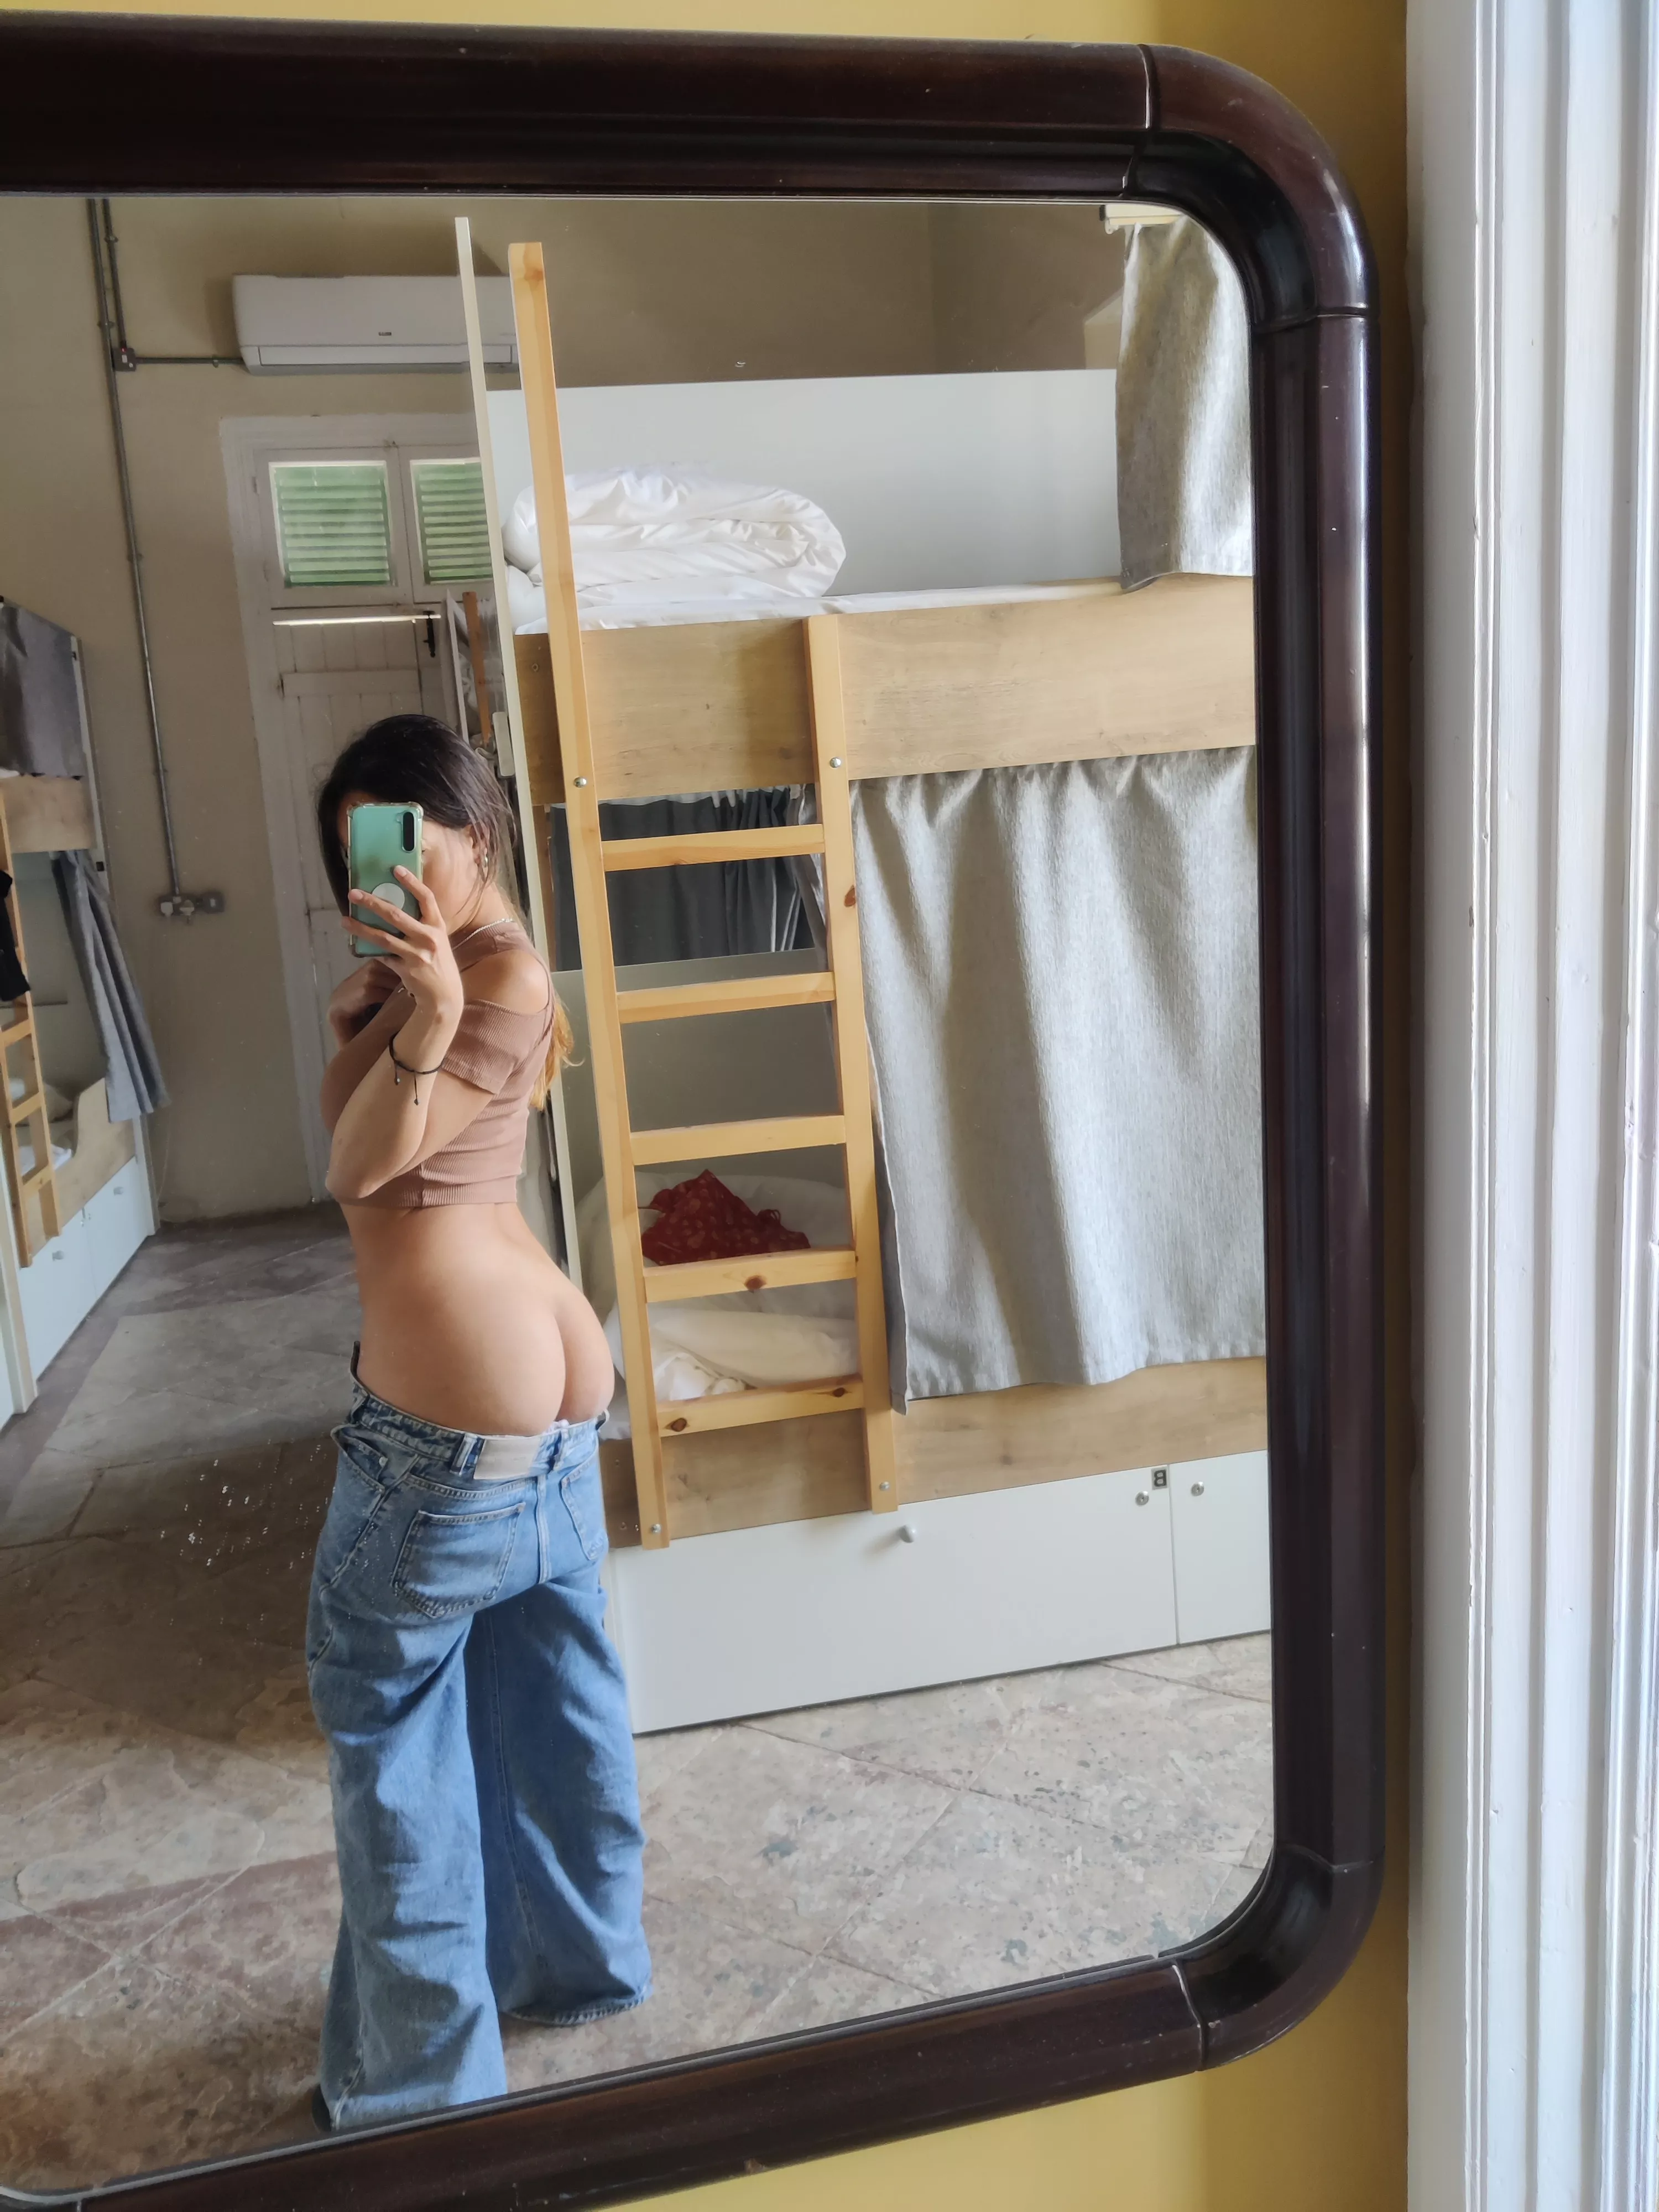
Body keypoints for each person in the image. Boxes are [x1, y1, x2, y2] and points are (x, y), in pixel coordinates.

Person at [304, 714, 649, 2132]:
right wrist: (382, 1021)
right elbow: (400, 1155)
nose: (379, 880)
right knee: (549, 1705)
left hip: (446, 1446)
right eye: (354, 859)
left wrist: (424, 1021)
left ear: (477, 829)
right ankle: (576, 1963)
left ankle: (420, 2093)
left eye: (403, 845)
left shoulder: (488, 979)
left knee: (391, 1731)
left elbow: (355, 1171)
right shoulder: (465, 969)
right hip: (535, 1438)